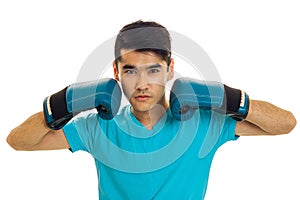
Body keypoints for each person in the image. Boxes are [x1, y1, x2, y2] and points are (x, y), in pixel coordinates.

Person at [7, 20, 297, 200]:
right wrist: (64, 103)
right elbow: (18, 142)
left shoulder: (204, 124)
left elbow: (285, 124)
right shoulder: (98, 127)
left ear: (170, 70)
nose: (142, 84)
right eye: (131, 71)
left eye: (153, 70)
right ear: (116, 73)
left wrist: (228, 98)